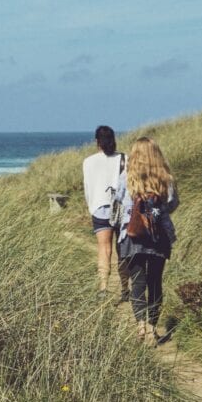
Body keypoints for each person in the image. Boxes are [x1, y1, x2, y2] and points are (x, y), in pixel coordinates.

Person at [117, 137, 178, 339]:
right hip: (158, 236)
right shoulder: (166, 178)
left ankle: (141, 326)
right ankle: (153, 326)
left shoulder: (126, 177)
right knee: (155, 282)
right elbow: (172, 204)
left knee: (138, 282)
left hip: (133, 235)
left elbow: (118, 200)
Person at [81, 125, 127, 296]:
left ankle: (103, 287)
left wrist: (91, 206)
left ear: (96, 141)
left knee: (103, 247)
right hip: (120, 207)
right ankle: (125, 288)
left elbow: (88, 187)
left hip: (99, 207)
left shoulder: (88, 161)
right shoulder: (124, 159)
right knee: (122, 249)